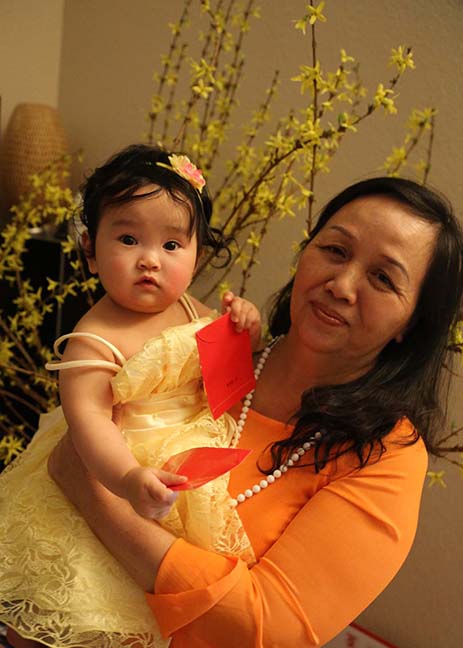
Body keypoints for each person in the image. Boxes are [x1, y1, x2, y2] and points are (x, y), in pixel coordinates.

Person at [7, 176, 463, 648]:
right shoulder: (207, 347)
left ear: (413, 322)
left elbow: (265, 627)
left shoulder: (387, 456)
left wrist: (93, 494)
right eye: (335, 250)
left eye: (383, 279)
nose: (342, 286)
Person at [0, 144, 262, 648]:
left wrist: (245, 327)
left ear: (197, 255)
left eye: (172, 245)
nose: (150, 260)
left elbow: (225, 361)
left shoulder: (191, 308)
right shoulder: (93, 338)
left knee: (144, 610)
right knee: (74, 591)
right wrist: (125, 477)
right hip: (112, 469)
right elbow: (89, 421)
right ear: (91, 251)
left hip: (186, 464)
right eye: (127, 239)